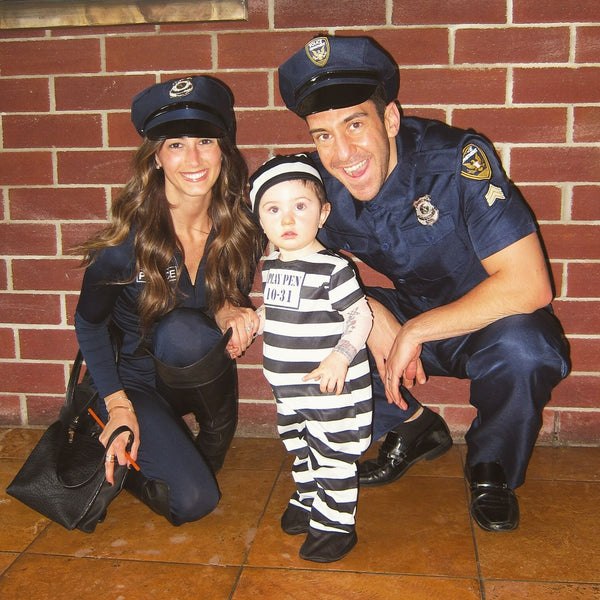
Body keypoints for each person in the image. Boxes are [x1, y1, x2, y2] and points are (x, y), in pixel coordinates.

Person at [278, 35, 571, 532]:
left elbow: (530, 285)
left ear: (390, 120)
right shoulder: (317, 185)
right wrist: (367, 311)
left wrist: (414, 331)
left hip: (495, 321)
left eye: (355, 124)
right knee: (314, 321)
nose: (342, 152)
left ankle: (491, 468)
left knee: (529, 348)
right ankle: (415, 428)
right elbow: (268, 238)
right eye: (323, 134)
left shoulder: (455, 161)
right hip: (410, 309)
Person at [73, 76, 265, 526]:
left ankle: (207, 451)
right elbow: (89, 326)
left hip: (184, 370)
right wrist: (118, 405)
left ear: (224, 149)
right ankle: (112, 446)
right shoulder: (126, 244)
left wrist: (227, 305)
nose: (194, 159)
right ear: (156, 157)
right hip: (132, 383)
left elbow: (214, 296)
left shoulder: (241, 226)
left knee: (184, 333)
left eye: (205, 141)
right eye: (175, 145)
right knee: (195, 500)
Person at [248, 154, 373, 562]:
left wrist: (341, 356)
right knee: (299, 443)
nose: (287, 219)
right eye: (273, 209)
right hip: (287, 387)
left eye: (299, 206)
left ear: (322, 214)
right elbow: (279, 311)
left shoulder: (333, 268)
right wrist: (255, 321)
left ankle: (336, 523)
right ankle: (308, 497)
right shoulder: (270, 266)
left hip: (328, 387)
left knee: (332, 451)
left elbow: (360, 316)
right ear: (261, 221)